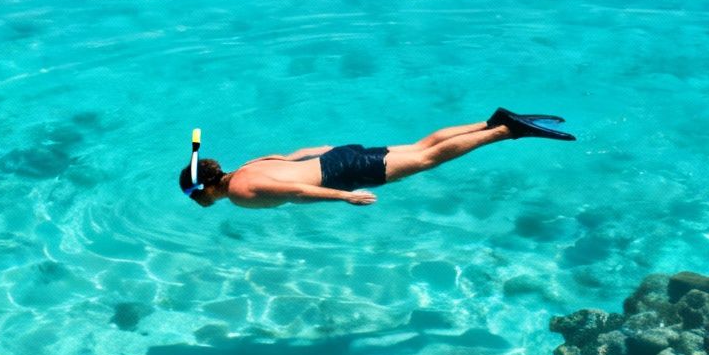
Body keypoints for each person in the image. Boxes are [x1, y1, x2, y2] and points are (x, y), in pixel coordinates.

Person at [179, 109, 573, 209]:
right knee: (420, 144)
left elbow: (298, 191)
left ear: (204, 189)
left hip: (345, 172)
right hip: (337, 156)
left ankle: (506, 131)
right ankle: (493, 120)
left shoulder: (243, 191)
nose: (200, 204)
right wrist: (331, 152)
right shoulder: (249, 166)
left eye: (196, 198)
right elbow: (293, 157)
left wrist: (346, 197)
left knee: (427, 160)